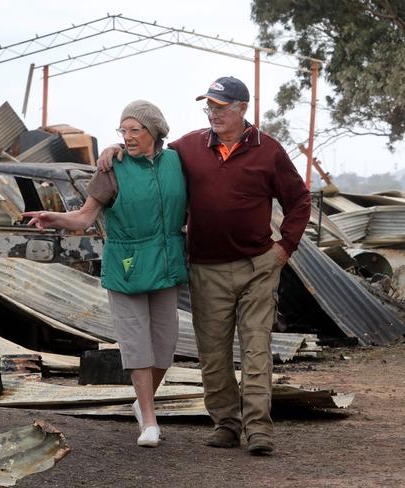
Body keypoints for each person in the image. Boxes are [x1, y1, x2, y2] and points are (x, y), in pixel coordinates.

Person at [97, 77, 311, 455]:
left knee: (257, 348)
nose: (213, 114)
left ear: (242, 108)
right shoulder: (189, 148)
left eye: (221, 107)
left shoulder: (269, 151)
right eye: (209, 107)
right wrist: (115, 147)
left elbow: (299, 200)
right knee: (213, 353)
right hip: (206, 268)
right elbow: (150, 148)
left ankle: (258, 429)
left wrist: (284, 247)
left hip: (257, 266)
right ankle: (226, 424)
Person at [23, 100, 187, 448]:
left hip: (166, 263)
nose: (127, 137)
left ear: (154, 131)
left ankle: (141, 404)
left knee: (165, 346)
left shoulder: (177, 162)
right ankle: (149, 421)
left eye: (134, 130)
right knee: (137, 345)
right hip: (126, 265)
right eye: (122, 131)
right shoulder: (112, 168)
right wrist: (56, 220)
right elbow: (84, 217)